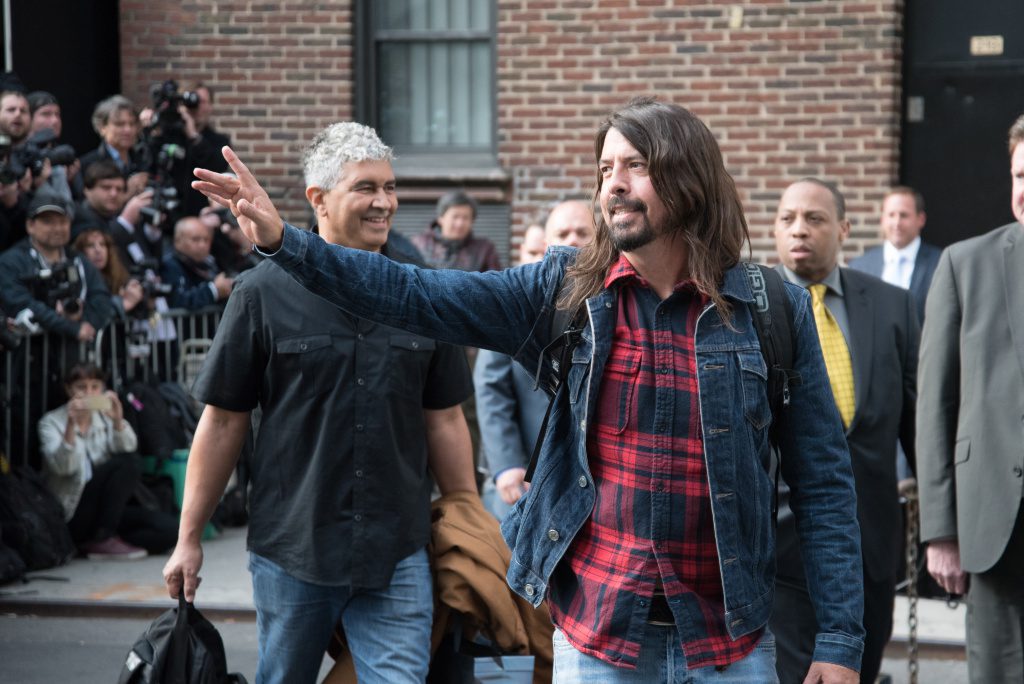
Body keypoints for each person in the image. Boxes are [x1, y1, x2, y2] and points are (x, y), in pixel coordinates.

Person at [193, 98, 867, 682]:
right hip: (601, 639)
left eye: (634, 166)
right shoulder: (563, 292)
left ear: (689, 178)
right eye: (605, 169)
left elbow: (823, 484)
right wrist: (287, 242)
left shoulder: (771, 308)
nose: (613, 186)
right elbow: (415, 292)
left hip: (731, 643)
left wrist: (840, 637)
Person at [163, 122, 477, 684]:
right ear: (319, 199)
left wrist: (468, 522)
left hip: (397, 548)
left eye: (389, 186)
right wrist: (189, 540)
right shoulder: (260, 293)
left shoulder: (423, 293)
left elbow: (446, 417)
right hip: (293, 550)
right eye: (366, 188)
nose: (385, 202)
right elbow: (223, 421)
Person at [771, 178, 919, 684]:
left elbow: (918, 427)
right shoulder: (746, 306)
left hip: (869, 547)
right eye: (788, 218)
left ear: (844, 229)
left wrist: (946, 530)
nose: (799, 230)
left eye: (814, 219)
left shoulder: (893, 306)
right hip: (777, 549)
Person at [916, 114, 1024, 683]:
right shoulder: (965, 264)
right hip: (997, 525)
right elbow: (935, 404)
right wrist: (940, 530)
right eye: (1019, 174)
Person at [475, 201, 595, 519]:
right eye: (563, 233)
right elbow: (491, 386)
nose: (573, 240)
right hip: (526, 474)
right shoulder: (521, 302)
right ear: (547, 243)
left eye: (582, 233)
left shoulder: (614, 299)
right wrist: (506, 463)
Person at [37, 362, 177, 558]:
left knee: (171, 530)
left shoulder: (102, 418)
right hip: (73, 509)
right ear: (69, 389)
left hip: (106, 510)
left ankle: (105, 540)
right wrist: (71, 424)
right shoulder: (51, 422)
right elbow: (63, 467)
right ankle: (102, 538)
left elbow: (129, 447)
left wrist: (118, 420)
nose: (88, 393)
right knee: (127, 463)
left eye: (95, 387)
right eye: (81, 387)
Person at [0, 185, 113, 343]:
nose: (57, 228)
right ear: (30, 225)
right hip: (27, 356)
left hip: (74, 357)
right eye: (48, 222)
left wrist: (82, 319)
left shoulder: (79, 260)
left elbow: (101, 297)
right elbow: (21, 303)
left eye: (62, 222)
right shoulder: (11, 261)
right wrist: (69, 326)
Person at [848, 186, 941, 322]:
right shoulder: (858, 267)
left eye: (904, 215)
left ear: (920, 219)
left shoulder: (940, 263)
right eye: (891, 215)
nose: (897, 223)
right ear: (882, 220)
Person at [410, 190, 502, 271]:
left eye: (465, 218)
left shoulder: (484, 249)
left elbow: (495, 284)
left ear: (472, 221)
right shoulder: (419, 244)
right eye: (455, 217)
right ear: (441, 218)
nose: (460, 224)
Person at [79, 95, 149, 197]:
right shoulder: (87, 165)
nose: (128, 130)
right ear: (102, 127)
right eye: (119, 124)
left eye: (132, 124)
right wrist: (127, 194)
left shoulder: (143, 160)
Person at [160, 216, 233, 310]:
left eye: (206, 240)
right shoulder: (170, 266)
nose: (202, 245)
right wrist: (214, 290)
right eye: (195, 239)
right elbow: (178, 301)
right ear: (178, 240)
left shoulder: (210, 264)